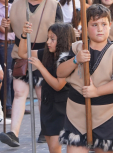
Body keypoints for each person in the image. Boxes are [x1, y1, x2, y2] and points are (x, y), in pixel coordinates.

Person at [57, 4, 113, 152]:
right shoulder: (76, 48)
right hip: (77, 113)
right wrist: (75, 60)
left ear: (110, 25)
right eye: (94, 24)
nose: (100, 28)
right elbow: (60, 72)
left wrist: (97, 91)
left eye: (104, 24)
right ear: (85, 27)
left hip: (107, 114)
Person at [0, 0, 63, 147]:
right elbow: (11, 27)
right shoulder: (16, 5)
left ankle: (46, 129)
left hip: (45, 54)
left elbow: (61, 31)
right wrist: (6, 25)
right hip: (20, 53)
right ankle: (13, 133)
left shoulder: (54, 5)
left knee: (43, 96)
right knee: (20, 93)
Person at [18, 22, 75, 152]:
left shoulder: (68, 59)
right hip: (47, 104)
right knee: (51, 147)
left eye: (52, 39)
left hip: (63, 106)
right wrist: (24, 35)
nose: (48, 42)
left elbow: (58, 85)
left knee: (55, 146)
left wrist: (40, 67)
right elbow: (22, 53)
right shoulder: (47, 53)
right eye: (48, 38)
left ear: (62, 40)